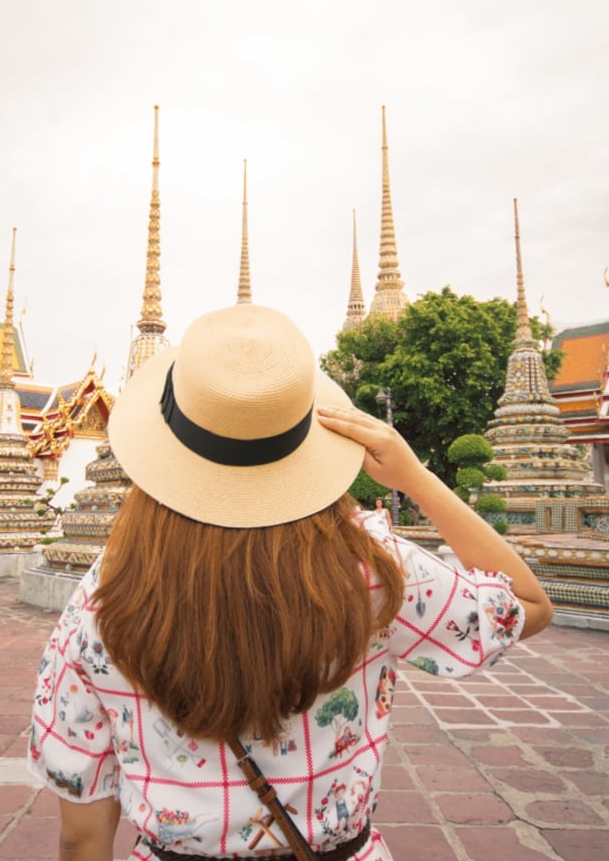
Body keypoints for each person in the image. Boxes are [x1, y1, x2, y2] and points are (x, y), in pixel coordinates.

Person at [28, 305, 551, 861]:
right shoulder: (370, 567)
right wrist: (414, 476)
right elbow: (527, 604)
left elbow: (83, 833)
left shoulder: (107, 595)